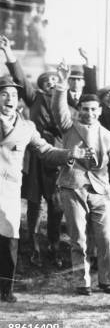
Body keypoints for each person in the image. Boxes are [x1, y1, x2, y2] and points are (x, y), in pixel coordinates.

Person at [0, 75, 89, 303]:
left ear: (19, 101)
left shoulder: (27, 127)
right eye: (3, 94)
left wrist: (69, 154)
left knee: (9, 238)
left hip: (8, 191)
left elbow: (47, 152)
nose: (9, 99)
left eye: (13, 95)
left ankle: (5, 290)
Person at [51, 62, 110, 295]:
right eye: (85, 109)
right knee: (78, 239)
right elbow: (58, 110)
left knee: (107, 237)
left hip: (101, 191)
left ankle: (106, 280)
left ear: (100, 111)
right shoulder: (69, 127)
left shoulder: (109, 135)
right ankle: (83, 281)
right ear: (78, 109)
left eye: (93, 109)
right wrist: (62, 84)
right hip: (73, 187)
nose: (89, 113)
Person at [3, 35, 64, 267]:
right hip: (34, 154)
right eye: (47, 81)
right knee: (34, 203)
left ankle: (55, 245)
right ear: (40, 85)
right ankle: (32, 246)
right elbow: (19, 77)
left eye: (54, 80)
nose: (50, 83)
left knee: (56, 204)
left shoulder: (64, 101)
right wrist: (9, 54)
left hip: (54, 154)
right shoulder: (34, 97)